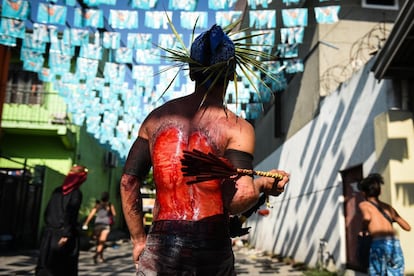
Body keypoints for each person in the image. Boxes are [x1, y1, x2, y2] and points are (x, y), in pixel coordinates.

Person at [120, 23, 290, 275]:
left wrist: (138, 240)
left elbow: (128, 182)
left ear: (191, 71)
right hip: (210, 248)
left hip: (161, 246)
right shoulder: (237, 128)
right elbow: (237, 199)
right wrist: (263, 185)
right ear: (233, 74)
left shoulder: (155, 120)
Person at [35, 165, 88, 276]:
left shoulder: (57, 191)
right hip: (63, 235)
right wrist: (66, 234)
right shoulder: (76, 193)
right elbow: (70, 214)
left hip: (49, 234)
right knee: (63, 268)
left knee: (46, 264)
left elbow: (47, 212)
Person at [358, 173, 411, 276]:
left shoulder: (364, 205)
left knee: (378, 272)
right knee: (396, 273)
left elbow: (367, 217)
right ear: (380, 192)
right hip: (395, 244)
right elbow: (407, 227)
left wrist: (363, 229)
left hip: (379, 244)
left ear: (363, 193)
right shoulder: (388, 208)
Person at [82, 191, 116, 264]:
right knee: (102, 242)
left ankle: (101, 257)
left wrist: (86, 223)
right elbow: (114, 214)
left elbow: (91, 214)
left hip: (97, 225)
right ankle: (97, 255)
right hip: (105, 225)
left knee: (99, 242)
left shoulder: (98, 205)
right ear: (108, 198)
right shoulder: (110, 205)